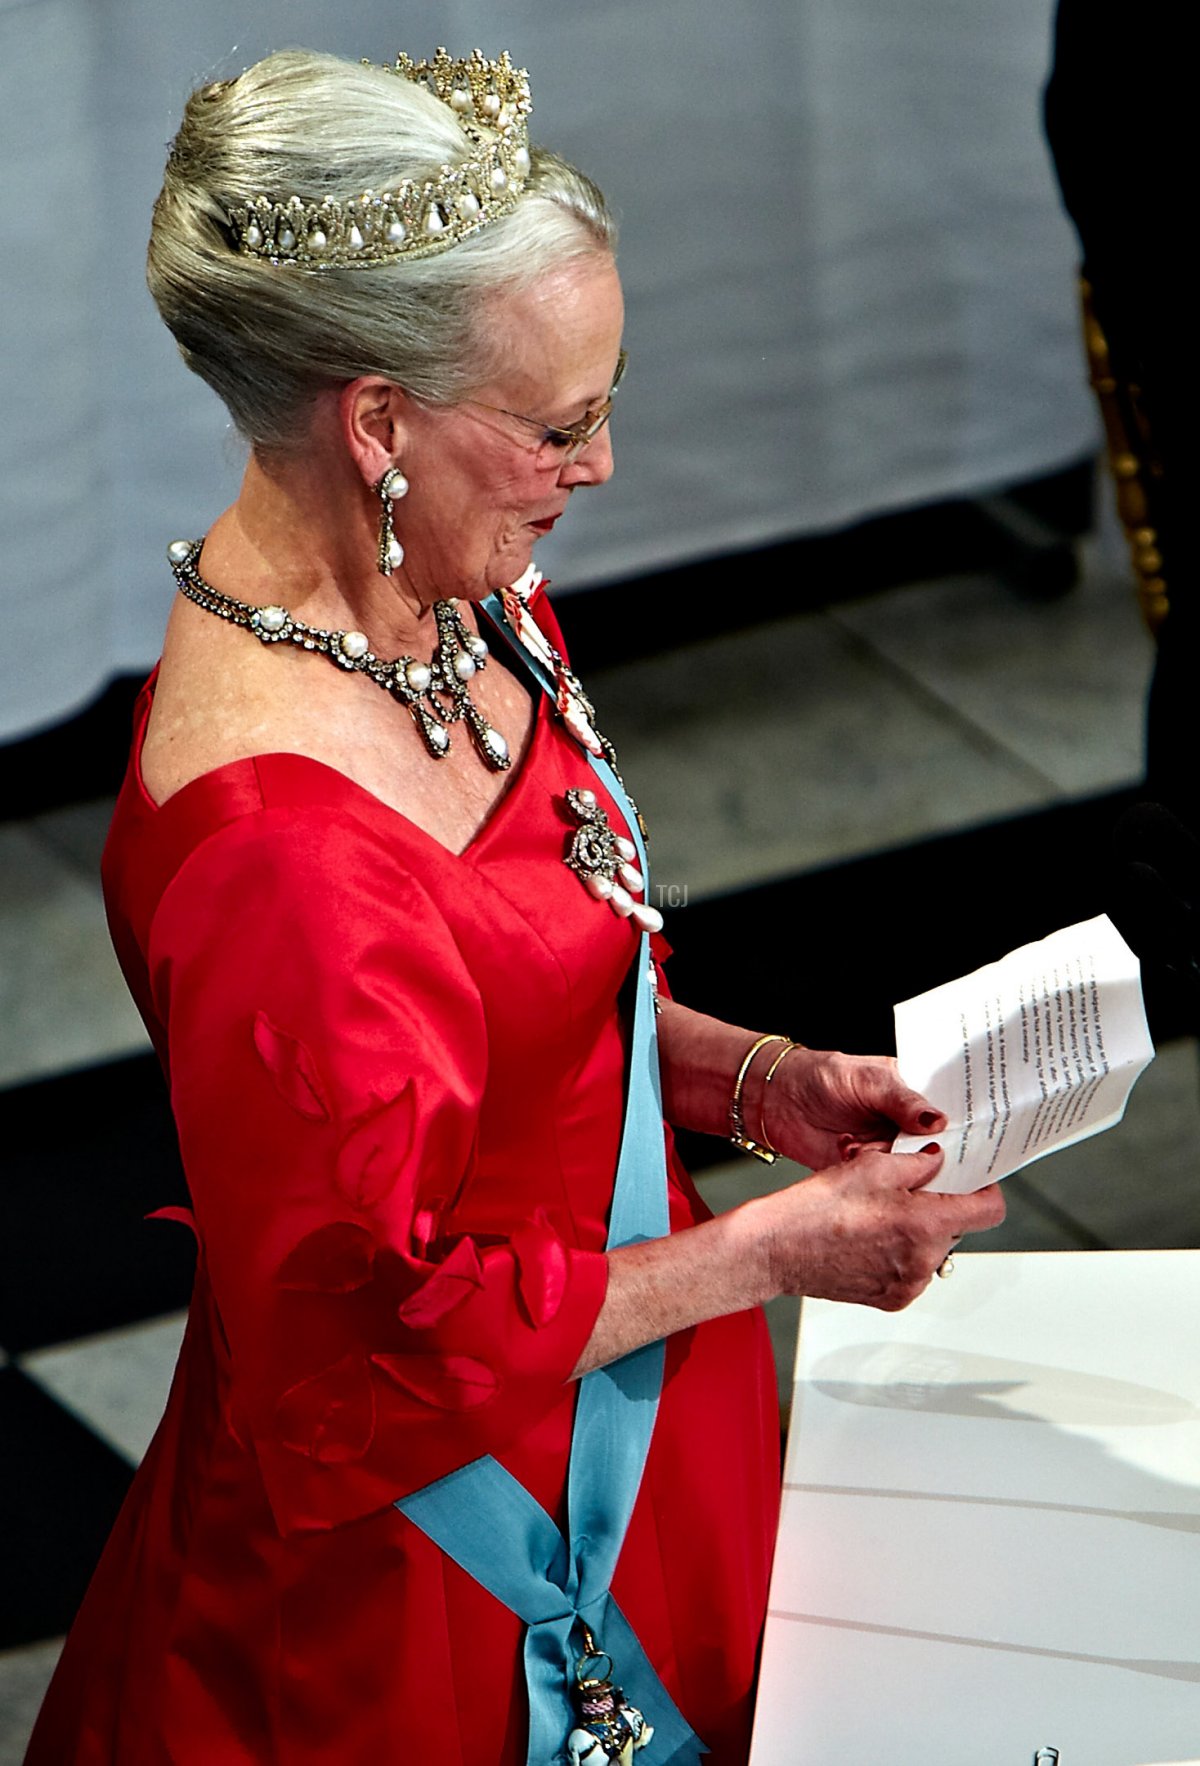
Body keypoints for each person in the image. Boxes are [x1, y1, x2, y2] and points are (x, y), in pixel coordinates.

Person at [25, 46, 1004, 1766]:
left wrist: (753, 1081)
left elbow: (540, 1000)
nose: (601, 465)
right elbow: (351, 1361)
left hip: (633, 1386)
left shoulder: (453, 590)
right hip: (430, 1574)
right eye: (558, 425)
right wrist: (771, 1253)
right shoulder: (278, 861)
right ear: (378, 420)